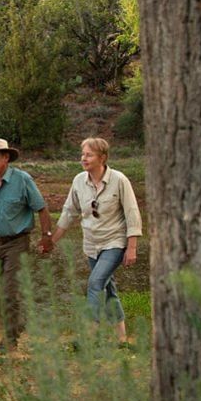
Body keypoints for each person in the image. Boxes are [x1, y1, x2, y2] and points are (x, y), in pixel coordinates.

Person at [49, 137, 141, 343]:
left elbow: (132, 213)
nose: (84, 158)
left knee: (95, 282)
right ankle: (122, 339)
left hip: (114, 242)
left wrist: (132, 247)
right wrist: (52, 240)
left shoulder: (119, 180)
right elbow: (69, 213)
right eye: (83, 154)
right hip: (91, 245)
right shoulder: (78, 181)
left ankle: (88, 336)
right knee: (108, 290)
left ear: (102, 157)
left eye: (89, 154)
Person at [0, 138, 52, 354]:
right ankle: (16, 321)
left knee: (10, 291)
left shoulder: (22, 180)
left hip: (17, 243)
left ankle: (10, 337)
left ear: (6, 157)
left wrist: (46, 236)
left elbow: (41, 208)